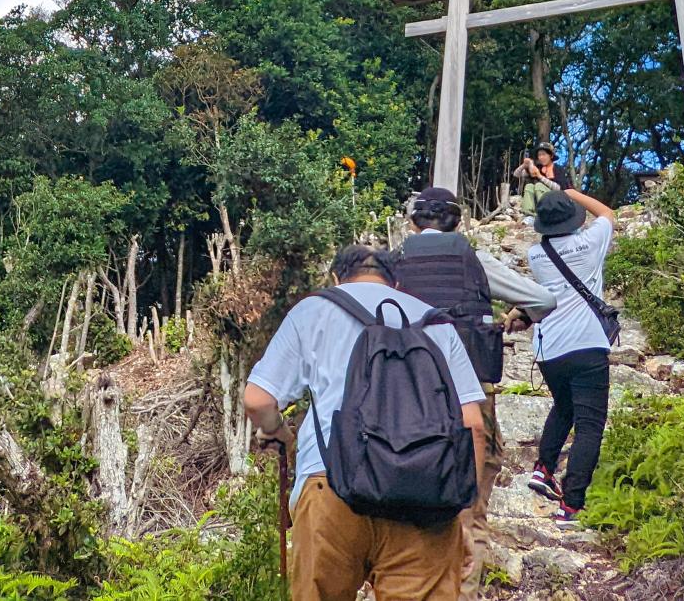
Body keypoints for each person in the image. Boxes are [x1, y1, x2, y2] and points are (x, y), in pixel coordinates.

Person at [244, 245, 489, 601]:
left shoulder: (313, 310)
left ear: (335, 278)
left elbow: (257, 399)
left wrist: (278, 431)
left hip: (331, 487)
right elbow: (473, 426)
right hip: (426, 498)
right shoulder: (436, 322)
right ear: (397, 284)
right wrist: (462, 515)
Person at [393, 187, 557, 598]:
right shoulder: (474, 261)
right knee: (472, 507)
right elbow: (543, 298)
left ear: (412, 223)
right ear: (458, 222)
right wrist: (520, 315)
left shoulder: (392, 265)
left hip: (408, 397)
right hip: (472, 396)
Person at [524, 186, 617, 522]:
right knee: (590, 425)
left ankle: (543, 469)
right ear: (573, 218)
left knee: (563, 407)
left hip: (549, 349)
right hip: (587, 344)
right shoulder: (591, 243)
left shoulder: (536, 253)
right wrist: (573, 193)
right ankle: (572, 503)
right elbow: (607, 213)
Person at [514, 142, 572, 217]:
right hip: (539, 202)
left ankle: (546, 213)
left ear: (551, 156)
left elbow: (559, 188)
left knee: (539, 185)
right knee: (529, 186)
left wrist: (540, 176)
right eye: (539, 155)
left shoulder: (558, 169)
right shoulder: (538, 168)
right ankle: (529, 214)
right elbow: (516, 174)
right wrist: (524, 165)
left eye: (544, 154)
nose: (541, 157)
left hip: (556, 202)